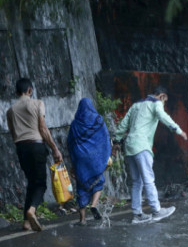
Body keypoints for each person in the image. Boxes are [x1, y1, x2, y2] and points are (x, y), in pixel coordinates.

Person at [114, 86, 187, 224]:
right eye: (164, 100)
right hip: (142, 145)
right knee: (148, 179)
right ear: (162, 96)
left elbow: (123, 124)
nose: (164, 103)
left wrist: (117, 140)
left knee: (136, 182)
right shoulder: (156, 103)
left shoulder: (136, 105)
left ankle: (137, 214)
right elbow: (163, 116)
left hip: (129, 145)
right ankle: (156, 210)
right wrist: (178, 130)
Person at [6, 78, 63, 232]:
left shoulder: (10, 111)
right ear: (30, 90)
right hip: (36, 146)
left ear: (17, 92)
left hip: (21, 148)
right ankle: (32, 210)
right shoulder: (37, 104)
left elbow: (13, 134)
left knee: (32, 183)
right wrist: (55, 148)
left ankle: (26, 222)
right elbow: (43, 129)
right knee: (40, 184)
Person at [67, 98, 111, 226]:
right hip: (95, 157)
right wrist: (104, 154)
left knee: (81, 185)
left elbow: (70, 143)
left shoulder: (75, 124)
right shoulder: (98, 120)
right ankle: (94, 204)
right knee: (98, 180)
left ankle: (82, 219)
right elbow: (105, 138)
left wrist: (73, 162)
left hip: (80, 157)